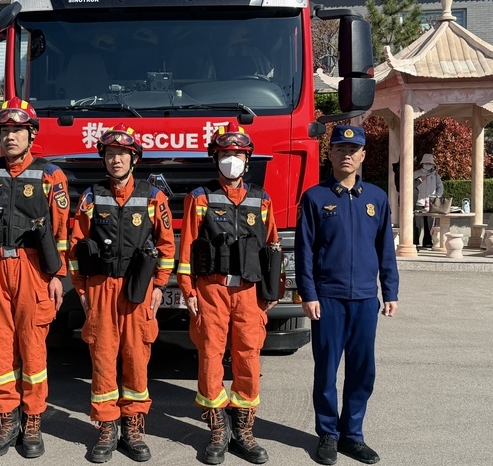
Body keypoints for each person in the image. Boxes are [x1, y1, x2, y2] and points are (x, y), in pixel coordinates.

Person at [0, 96, 70, 459]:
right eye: (5, 130)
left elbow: (61, 232)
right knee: (0, 348)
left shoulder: (51, 175)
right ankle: (6, 422)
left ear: (31, 135)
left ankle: (33, 423)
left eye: (18, 130)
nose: (10, 137)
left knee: (32, 348)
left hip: (33, 268)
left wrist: (57, 276)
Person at [68, 124, 176, 463]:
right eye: (111, 154)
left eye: (123, 154)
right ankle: (106, 426)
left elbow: (166, 246)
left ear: (134, 159)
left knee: (136, 356)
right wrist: (81, 288)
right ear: (104, 158)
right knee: (102, 357)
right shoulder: (91, 196)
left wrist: (159, 285)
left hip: (137, 288)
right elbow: (75, 244)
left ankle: (133, 427)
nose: (116, 160)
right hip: (100, 287)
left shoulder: (154, 197)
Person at [177, 122, 281, 465]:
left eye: (237, 154)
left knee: (248, 356)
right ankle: (217, 428)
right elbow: (187, 246)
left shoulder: (261, 199)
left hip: (249, 290)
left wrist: (273, 289)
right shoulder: (200, 197)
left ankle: (243, 429)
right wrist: (187, 289)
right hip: (211, 289)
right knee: (210, 355)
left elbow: (272, 246)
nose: (231, 160)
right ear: (215, 158)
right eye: (224, 154)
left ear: (247, 160)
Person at [295, 124, 399, 465]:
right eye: (340, 149)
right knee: (326, 369)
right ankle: (328, 433)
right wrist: (308, 293)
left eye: (353, 150)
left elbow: (385, 249)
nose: (347, 155)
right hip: (328, 298)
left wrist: (390, 291)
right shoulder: (315, 197)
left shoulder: (376, 198)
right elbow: (304, 251)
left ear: (363, 155)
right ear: (330, 154)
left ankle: (352, 435)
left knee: (362, 370)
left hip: (366, 299)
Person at [413, 153, 444, 248]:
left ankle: (428, 242)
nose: (428, 165)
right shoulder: (416, 174)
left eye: (429, 163)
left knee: (429, 224)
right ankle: (415, 243)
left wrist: (436, 197)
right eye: (426, 163)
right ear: (422, 163)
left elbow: (440, 187)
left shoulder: (435, 175)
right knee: (416, 224)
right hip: (418, 202)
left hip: (431, 203)